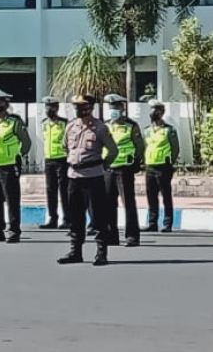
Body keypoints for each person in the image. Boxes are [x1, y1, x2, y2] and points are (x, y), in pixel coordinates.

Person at [59, 94, 118, 266]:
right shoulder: (71, 127)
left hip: (93, 177)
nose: (78, 109)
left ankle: (101, 253)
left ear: (90, 108)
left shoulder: (99, 128)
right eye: (76, 106)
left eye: (81, 106)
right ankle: (75, 251)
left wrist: (104, 165)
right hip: (74, 177)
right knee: (75, 216)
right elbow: (65, 147)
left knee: (99, 216)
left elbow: (113, 150)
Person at [0, 89, 31, 244]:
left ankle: (14, 231)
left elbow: (26, 143)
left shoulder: (14, 122)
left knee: (11, 200)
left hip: (8, 167)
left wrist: (17, 156)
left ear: (5, 103)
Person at [104, 94, 145, 247]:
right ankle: (111, 236)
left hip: (124, 169)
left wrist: (136, 161)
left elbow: (140, 146)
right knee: (108, 204)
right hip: (108, 168)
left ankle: (132, 237)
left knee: (128, 203)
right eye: (111, 107)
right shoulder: (106, 125)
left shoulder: (131, 126)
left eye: (116, 107)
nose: (113, 110)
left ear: (122, 108)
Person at [143, 99, 179, 233]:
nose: (153, 112)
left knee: (166, 196)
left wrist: (169, 161)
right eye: (152, 109)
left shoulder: (169, 130)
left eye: (156, 110)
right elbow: (144, 147)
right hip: (150, 166)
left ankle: (167, 223)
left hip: (164, 166)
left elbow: (175, 148)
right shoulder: (147, 130)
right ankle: (152, 223)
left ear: (162, 112)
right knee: (151, 196)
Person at [38, 96, 70, 230]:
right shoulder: (44, 123)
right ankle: (52, 218)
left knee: (64, 190)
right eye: (46, 106)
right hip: (49, 159)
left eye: (51, 106)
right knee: (50, 190)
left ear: (57, 108)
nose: (48, 109)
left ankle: (67, 219)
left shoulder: (65, 123)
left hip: (62, 159)